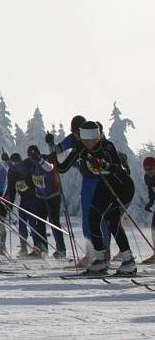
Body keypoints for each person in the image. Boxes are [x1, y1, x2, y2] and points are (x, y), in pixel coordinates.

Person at [65, 121, 135, 275]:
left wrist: (104, 165)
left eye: (92, 140)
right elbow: (62, 168)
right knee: (93, 218)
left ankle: (128, 261)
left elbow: (118, 168)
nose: (89, 143)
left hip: (122, 186)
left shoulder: (107, 146)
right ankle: (100, 259)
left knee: (112, 221)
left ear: (97, 137)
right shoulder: (81, 149)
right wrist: (52, 151)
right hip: (104, 186)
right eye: (85, 140)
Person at [46, 115, 108, 266]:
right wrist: (51, 146)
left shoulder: (95, 138)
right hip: (87, 181)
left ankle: (104, 252)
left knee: (102, 218)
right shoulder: (74, 141)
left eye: (77, 133)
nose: (75, 136)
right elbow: (59, 153)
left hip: (102, 181)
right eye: (73, 133)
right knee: (87, 218)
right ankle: (90, 253)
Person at [7, 152, 46, 257]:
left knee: (33, 224)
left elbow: (33, 181)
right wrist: (10, 203)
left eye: (18, 162)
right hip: (23, 200)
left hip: (32, 199)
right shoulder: (11, 172)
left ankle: (38, 248)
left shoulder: (27, 167)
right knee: (22, 225)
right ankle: (23, 247)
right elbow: (11, 189)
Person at [30, 145, 67, 258]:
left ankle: (61, 249)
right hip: (40, 197)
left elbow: (50, 168)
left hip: (53, 196)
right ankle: (43, 249)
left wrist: (39, 160)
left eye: (33, 155)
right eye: (30, 155)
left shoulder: (45, 159)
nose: (32, 157)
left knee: (54, 222)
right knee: (40, 223)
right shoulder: (31, 164)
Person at [142, 156, 155, 264]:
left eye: (150, 169)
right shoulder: (147, 177)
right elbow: (151, 191)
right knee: (154, 228)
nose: (148, 171)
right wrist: (150, 203)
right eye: (146, 169)